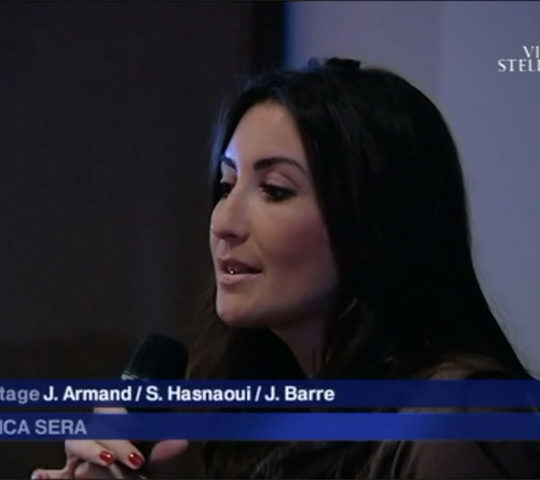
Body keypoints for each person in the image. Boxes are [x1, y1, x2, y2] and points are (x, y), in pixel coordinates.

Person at [33, 58, 539, 479]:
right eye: (227, 186)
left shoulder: (460, 416)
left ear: (375, 219)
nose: (224, 223)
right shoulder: (264, 413)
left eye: (274, 190)